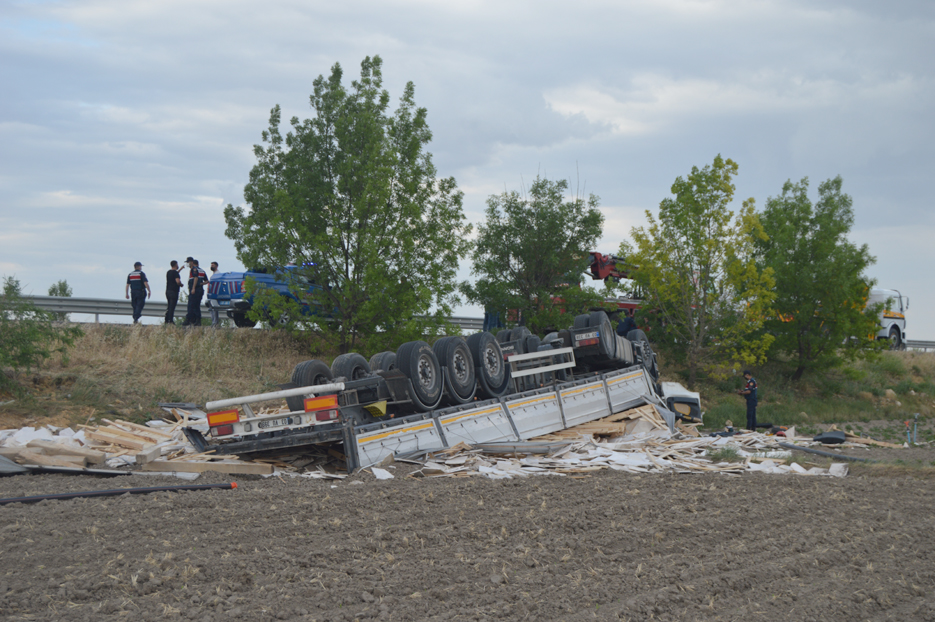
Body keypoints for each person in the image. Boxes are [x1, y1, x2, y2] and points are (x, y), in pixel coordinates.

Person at [183, 257, 208, 326]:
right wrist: (201, 284)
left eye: (188, 262)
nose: (188, 264)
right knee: (197, 305)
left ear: (192, 262)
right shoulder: (202, 271)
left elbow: (196, 278)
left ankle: (191, 320)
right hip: (200, 290)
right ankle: (197, 320)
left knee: (191, 305)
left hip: (195, 290)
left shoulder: (194, 269)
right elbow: (207, 281)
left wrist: (193, 288)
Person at [165, 260, 182, 324]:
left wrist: (181, 269)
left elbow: (174, 274)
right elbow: (177, 281)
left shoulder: (169, 272)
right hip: (174, 291)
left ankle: (166, 319)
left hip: (168, 291)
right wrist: (181, 284)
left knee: (169, 306)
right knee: (172, 306)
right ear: (176, 264)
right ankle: (170, 320)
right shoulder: (176, 273)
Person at [207, 261, 220, 327]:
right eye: (211, 265)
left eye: (213, 265)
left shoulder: (217, 274)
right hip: (211, 293)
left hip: (214, 293)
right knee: (211, 307)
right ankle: (214, 322)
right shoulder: (213, 274)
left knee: (214, 308)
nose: (212, 266)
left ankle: (215, 322)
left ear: (216, 266)